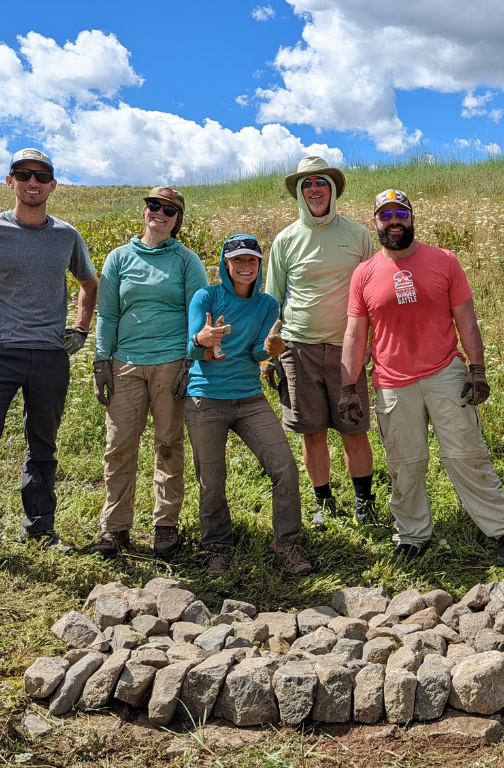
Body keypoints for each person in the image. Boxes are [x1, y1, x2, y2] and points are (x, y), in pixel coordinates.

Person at [340, 189, 504, 564]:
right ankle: (412, 535)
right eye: (385, 214)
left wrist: (477, 369)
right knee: (404, 465)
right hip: (392, 383)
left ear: (412, 218)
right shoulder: (364, 274)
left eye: (401, 214)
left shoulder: (444, 261)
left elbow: (466, 319)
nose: (394, 221)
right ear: (374, 222)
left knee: (466, 454)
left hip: (445, 372)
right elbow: (354, 334)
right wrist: (348, 388)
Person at [0, 148, 98, 579]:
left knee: (44, 446)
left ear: (53, 184)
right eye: (23, 174)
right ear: (10, 181)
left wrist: (80, 330)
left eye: (42, 175)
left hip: (51, 356)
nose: (32, 182)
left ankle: (40, 529)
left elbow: (89, 283)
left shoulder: (66, 235)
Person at [185, 234, 312, 577]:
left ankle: (287, 541)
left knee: (284, 466)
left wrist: (270, 348)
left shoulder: (268, 304)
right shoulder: (207, 296)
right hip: (205, 399)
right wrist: (202, 338)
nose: (245, 266)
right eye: (238, 260)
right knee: (211, 479)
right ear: (225, 264)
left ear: (260, 265)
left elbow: (256, 351)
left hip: (249, 398)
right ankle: (217, 547)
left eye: (252, 260)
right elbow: (192, 349)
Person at [91, 187, 208, 560]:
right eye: (153, 205)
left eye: (169, 210)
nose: (160, 212)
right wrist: (100, 360)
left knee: (169, 444)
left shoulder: (187, 261)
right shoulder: (118, 258)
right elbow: (108, 313)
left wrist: (191, 361)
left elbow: (199, 314)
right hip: (125, 364)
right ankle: (114, 527)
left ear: (177, 220)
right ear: (144, 211)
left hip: (171, 363)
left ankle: (165, 525)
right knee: (119, 445)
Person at [264, 156, 377, 527]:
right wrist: (270, 352)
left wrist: (373, 341)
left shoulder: (358, 235)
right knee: (311, 432)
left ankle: (364, 502)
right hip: (298, 349)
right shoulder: (284, 241)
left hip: (349, 350)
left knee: (354, 429)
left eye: (321, 182)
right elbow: (272, 300)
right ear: (299, 191)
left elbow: (374, 294)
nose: (314, 189)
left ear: (332, 189)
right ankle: (323, 503)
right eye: (307, 183)